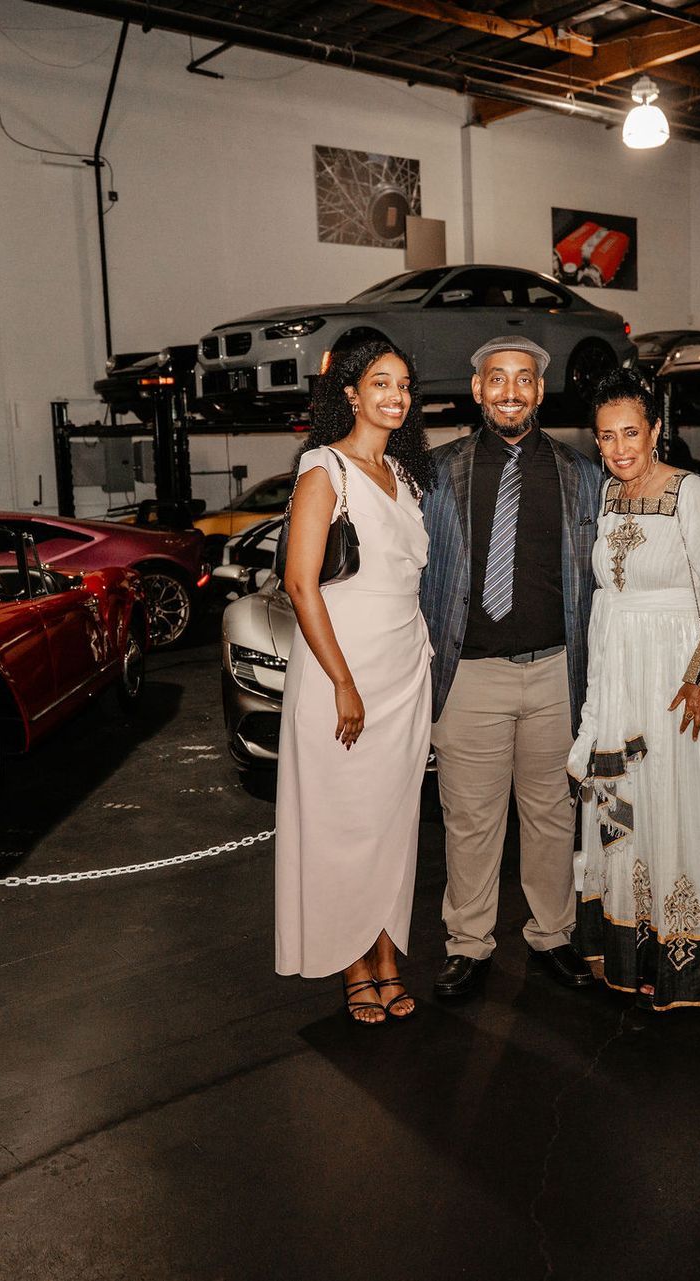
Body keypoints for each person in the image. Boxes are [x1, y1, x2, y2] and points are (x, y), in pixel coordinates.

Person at [419, 336, 604, 999]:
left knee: (554, 813)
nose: (510, 391)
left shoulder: (581, 475)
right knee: (470, 818)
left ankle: (552, 933)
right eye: (497, 379)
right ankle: (468, 943)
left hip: (557, 674)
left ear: (540, 391)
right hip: (469, 677)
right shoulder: (435, 473)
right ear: (477, 391)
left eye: (523, 380)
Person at [569, 368, 700, 1011]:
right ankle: (630, 947)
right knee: (621, 805)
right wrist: (595, 706)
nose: (620, 449)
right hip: (620, 676)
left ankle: (690, 964)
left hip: (678, 681)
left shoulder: (690, 492)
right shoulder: (609, 498)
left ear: (654, 430)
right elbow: (606, 601)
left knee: (683, 805)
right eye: (606, 438)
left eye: (631, 433)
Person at [274, 340, 436, 1025]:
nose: (394, 396)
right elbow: (299, 584)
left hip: (404, 674)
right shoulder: (324, 470)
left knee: (392, 827)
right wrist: (342, 681)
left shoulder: (405, 472)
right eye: (380, 382)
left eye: (403, 384)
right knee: (344, 826)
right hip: (344, 676)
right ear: (350, 392)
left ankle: (387, 956)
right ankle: (352, 965)